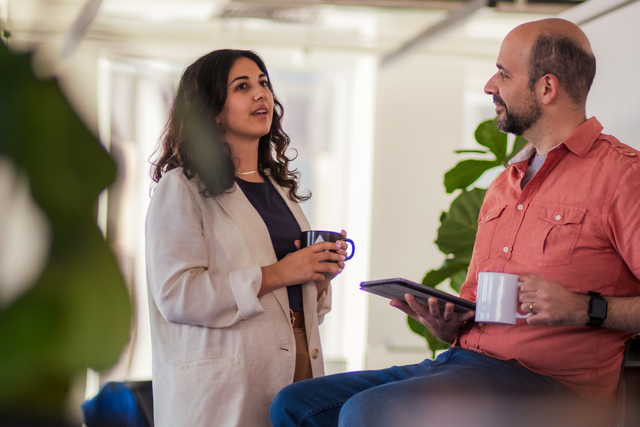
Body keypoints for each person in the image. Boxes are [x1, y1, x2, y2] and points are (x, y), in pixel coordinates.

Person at [269, 18, 640, 427]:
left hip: (551, 387)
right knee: (294, 405)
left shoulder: (623, 177)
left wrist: (585, 308)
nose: (489, 86)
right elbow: (478, 305)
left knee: (366, 412)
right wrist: (449, 324)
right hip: (464, 362)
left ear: (547, 88)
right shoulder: (505, 184)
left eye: (503, 73)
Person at [145, 49, 348, 427]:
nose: (261, 94)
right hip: (225, 384)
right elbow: (176, 294)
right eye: (243, 86)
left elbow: (291, 295)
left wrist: (317, 278)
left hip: (298, 360)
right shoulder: (182, 187)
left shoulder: (280, 190)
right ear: (213, 109)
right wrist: (281, 273)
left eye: (264, 83)